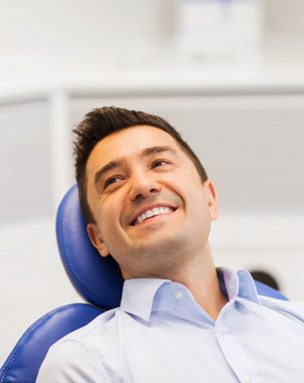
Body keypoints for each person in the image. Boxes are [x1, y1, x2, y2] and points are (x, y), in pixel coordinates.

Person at [37, 106, 304, 382]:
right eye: (113, 180)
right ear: (98, 238)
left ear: (210, 199)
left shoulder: (297, 323)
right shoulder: (82, 364)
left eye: (159, 163)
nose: (142, 185)